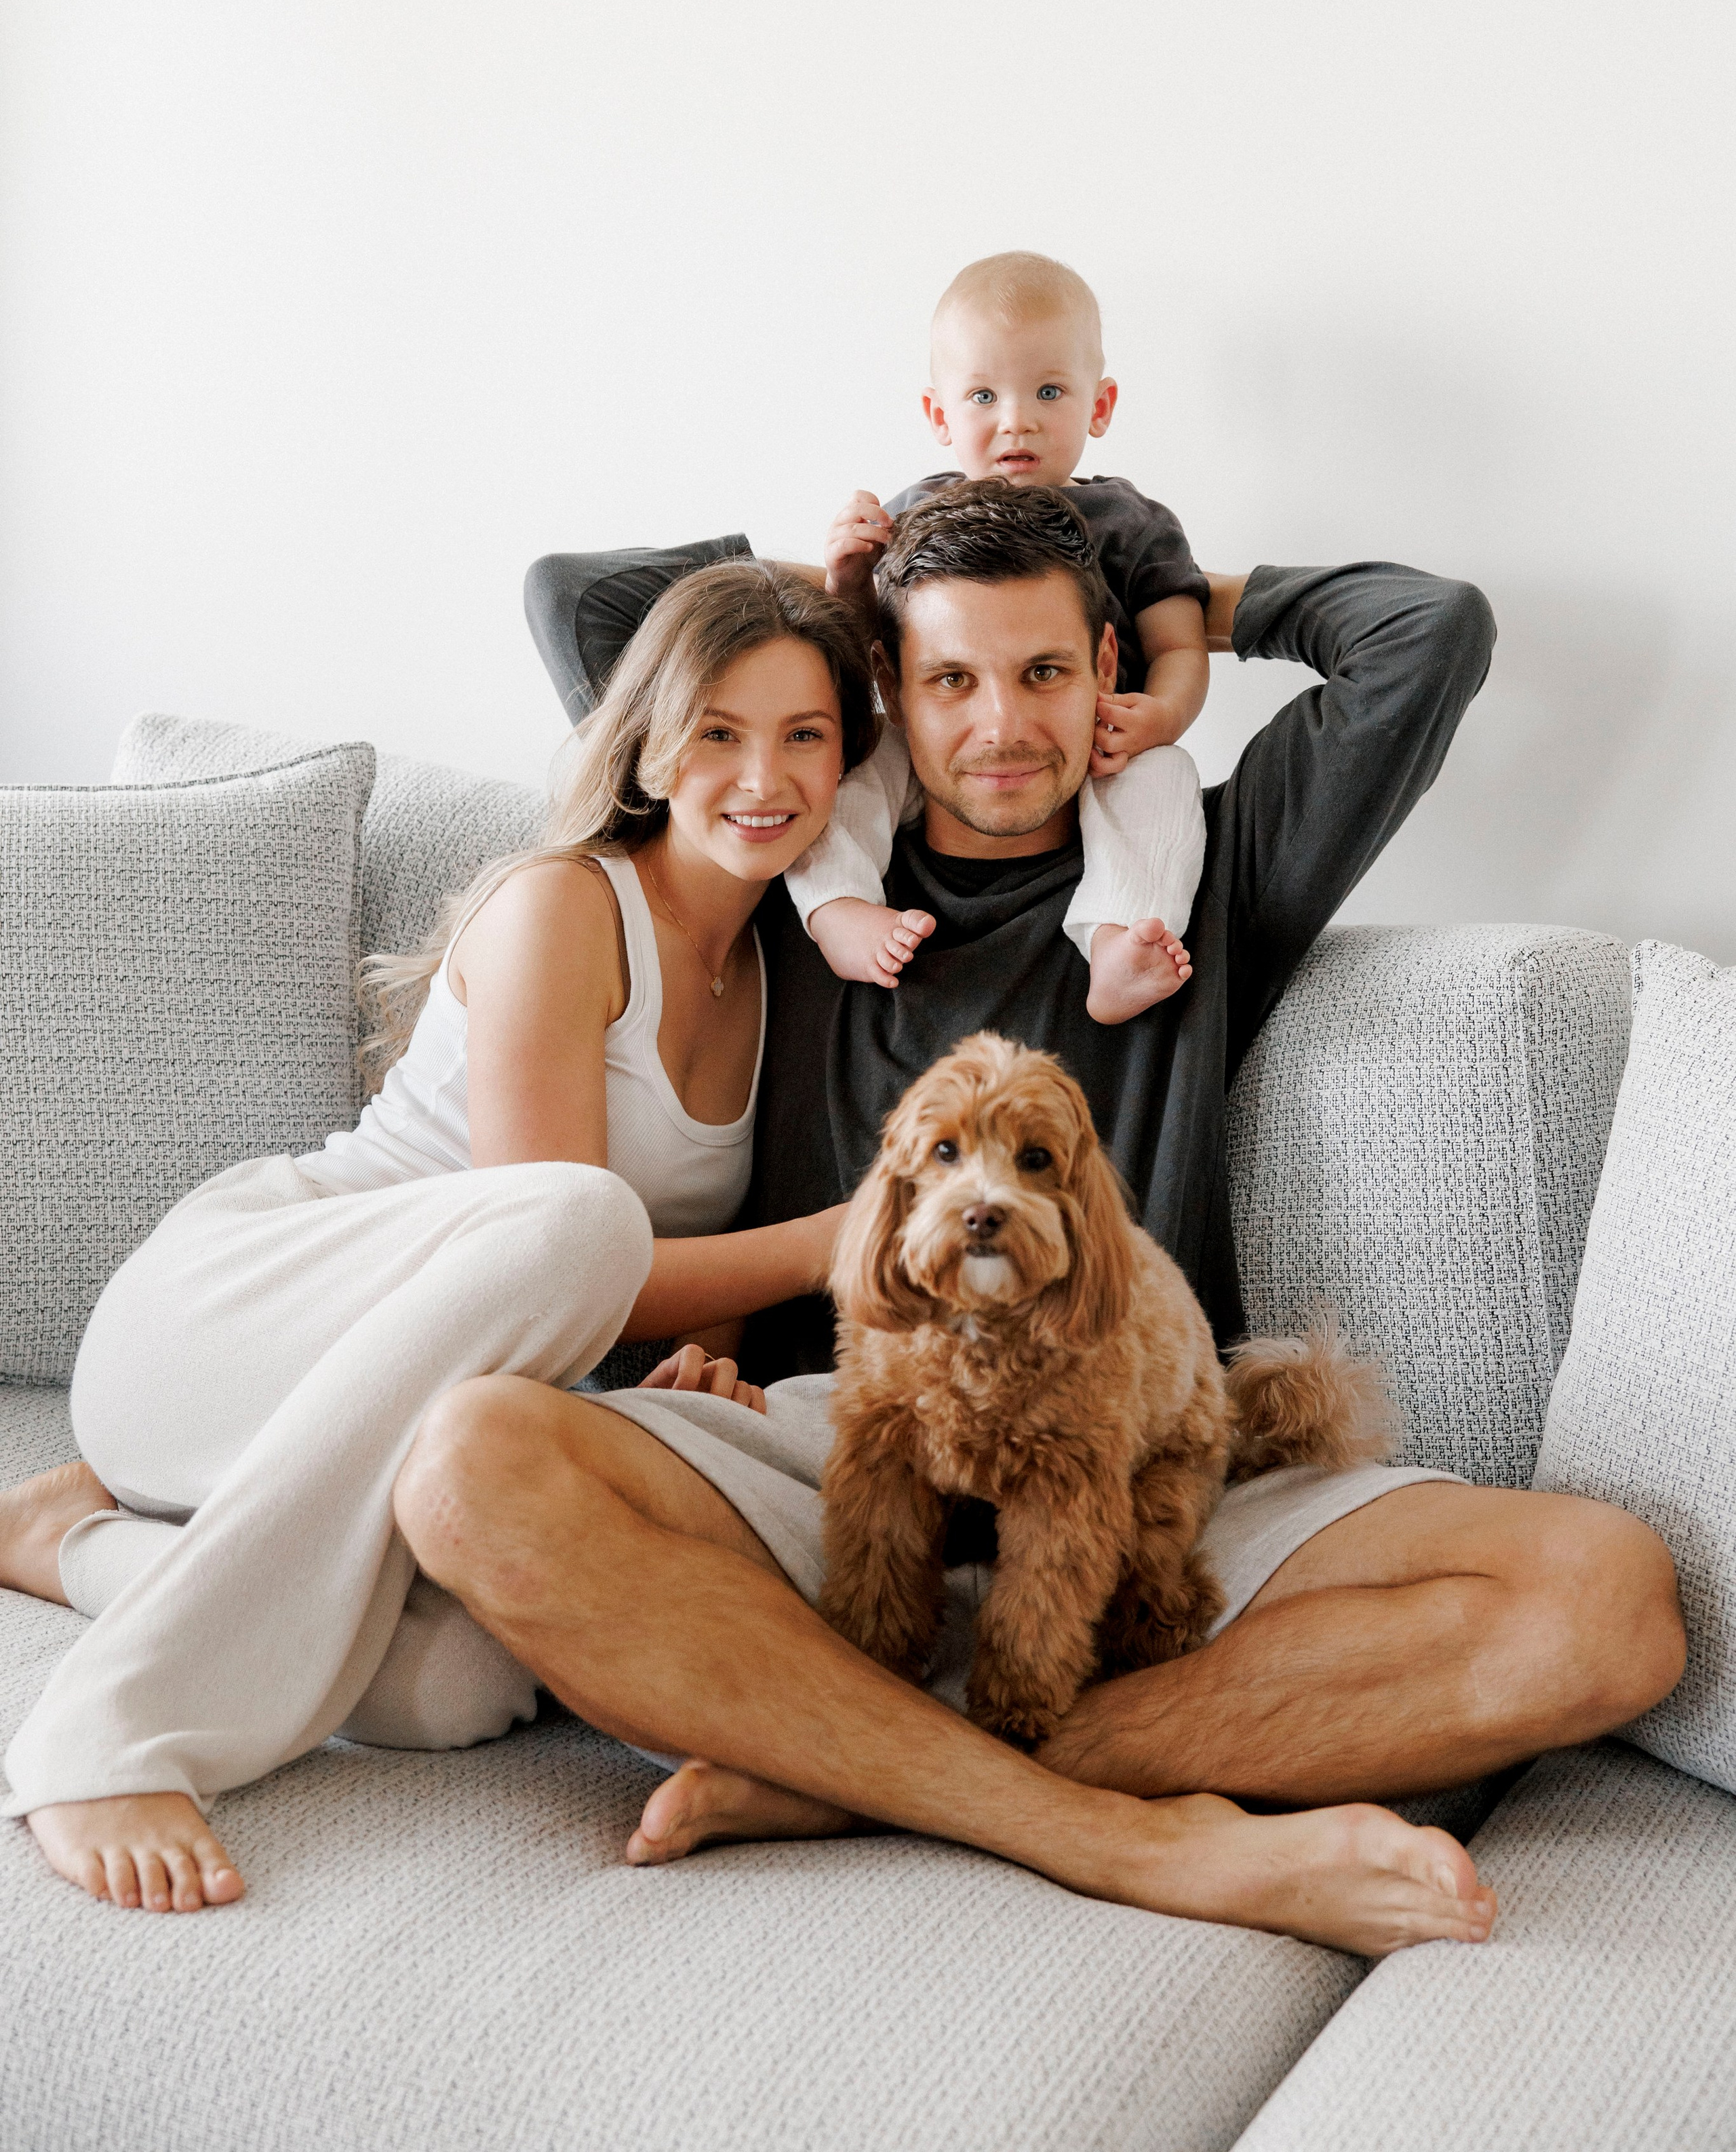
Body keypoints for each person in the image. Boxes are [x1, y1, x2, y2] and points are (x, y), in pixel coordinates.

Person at [445, 484, 1688, 1956]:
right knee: (469, 1460)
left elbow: (1428, 632)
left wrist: (1163, 603)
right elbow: (579, 600)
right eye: (947, 679)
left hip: (1138, 1457)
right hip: (840, 1439)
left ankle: (869, 1766)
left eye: (1042, 672)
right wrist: (856, 586)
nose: (999, 726)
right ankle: (1094, 1825)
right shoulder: (801, 866)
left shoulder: (1203, 879)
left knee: (1603, 1602)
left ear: (1101, 673)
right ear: (884, 698)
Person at [0, 562, 877, 1913]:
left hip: (376, 1415)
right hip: (218, 1331)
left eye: (802, 735)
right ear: (647, 742)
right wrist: (833, 1243)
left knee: (462, 1686)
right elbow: (554, 1239)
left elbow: (649, 1280)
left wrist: (681, 1379)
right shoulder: (562, 909)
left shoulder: (783, 973)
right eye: (717, 730)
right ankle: (95, 1732)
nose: (760, 775)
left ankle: (66, 1542)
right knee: (574, 1216)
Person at [787, 250, 1208, 1023]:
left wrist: (1163, 717)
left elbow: (1181, 643)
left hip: (1099, 751)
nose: (1016, 418)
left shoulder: (1134, 525)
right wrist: (843, 580)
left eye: (1049, 390)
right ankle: (837, 907)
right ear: (940, 416)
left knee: (1164, 777)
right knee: (845, 762)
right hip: (936, 763)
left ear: (1100, 405)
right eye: (983, 394)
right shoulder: (914, 521)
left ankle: (1116, 938)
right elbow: (865, 655)